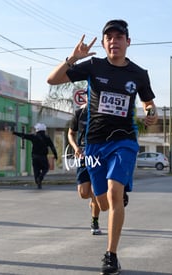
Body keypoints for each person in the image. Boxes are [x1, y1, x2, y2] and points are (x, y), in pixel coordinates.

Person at [47, 19, 157, 275]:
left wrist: (151, 112)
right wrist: (72, 58)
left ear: (128, 42)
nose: (113, 41)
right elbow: (52, 80)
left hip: (124, 141)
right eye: (109, 37)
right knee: (103, 203)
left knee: (114, 193)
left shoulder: (139, 74)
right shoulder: (94, 66)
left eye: (119, 37)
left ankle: (111, 255)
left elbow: (148, 102)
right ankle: (114, 197)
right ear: (105, 41)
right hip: (95, 144)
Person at [68, 99, 102, 235]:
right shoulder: (79, 113)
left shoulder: (103, 113)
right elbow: (71, 133)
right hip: (83, 155)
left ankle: (95, 221)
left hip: (98, 156)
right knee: (83, 193)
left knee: (95, 192)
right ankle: (93, 203)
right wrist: (75, 147)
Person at [13, 123, 58, 189]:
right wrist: (55, 155)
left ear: (37, 130)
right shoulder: (47, 138)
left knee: (36, 170)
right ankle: (40, 178)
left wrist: (15, 133)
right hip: (43, 157)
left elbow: (24, 135)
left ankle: (38, 182)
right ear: (44, 130)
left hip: (35, 156)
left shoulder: (34, 136)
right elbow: (52, 147)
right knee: (46, 168)